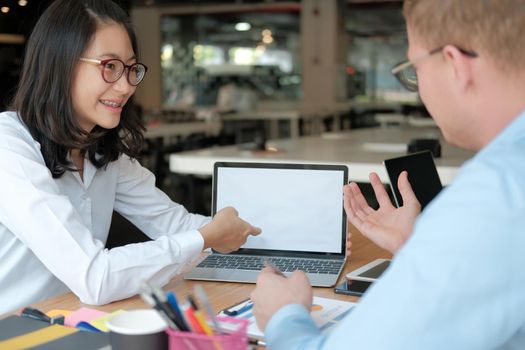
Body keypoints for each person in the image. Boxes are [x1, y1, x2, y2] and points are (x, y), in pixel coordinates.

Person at [251, 0, 525, 348]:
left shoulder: (495, 196)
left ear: (455, 64)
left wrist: (282, 315)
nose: (419, 89)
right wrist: (420, 244)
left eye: (415, 70)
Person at [0, 0, 260, 315]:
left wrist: (276, 241)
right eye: (109, 66)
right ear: (60, 64)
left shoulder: (99, 151)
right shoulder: (9, 147)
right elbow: (94, 278)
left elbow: (176, 225)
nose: (125, 86)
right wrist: (206, 237)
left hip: (66, 320)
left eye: (130, 68)